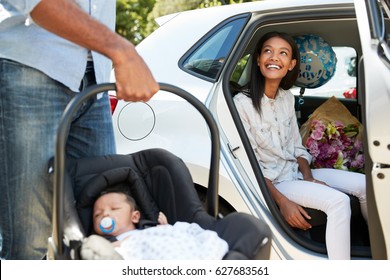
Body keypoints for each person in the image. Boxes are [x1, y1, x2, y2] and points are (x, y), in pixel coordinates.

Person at [0, 0, 159, 259]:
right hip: (29, 67)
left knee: (100, 224)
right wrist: (122, 50)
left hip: (94, 77)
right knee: (29, 240)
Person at [233, 31, 368, 260]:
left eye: (282, 53)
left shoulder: (286, 97)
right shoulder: (241, 104)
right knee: (339, 202)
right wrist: (283, 203)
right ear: (258, 59)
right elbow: (249, 166)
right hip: (275, 182)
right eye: (268, 51)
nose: (274, 57)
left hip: (295, 172)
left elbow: (297, 148)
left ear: (291, 64)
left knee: (367, 185)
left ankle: (376, 248)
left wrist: (308, 177)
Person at [91, 191, 229, 260]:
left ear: (135, 216)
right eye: (97, 214)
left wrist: (167, 228)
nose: (105, 215)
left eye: (114, 209)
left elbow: (173, 237)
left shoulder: (150, 231)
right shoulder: (106, 243)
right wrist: (118, 244)